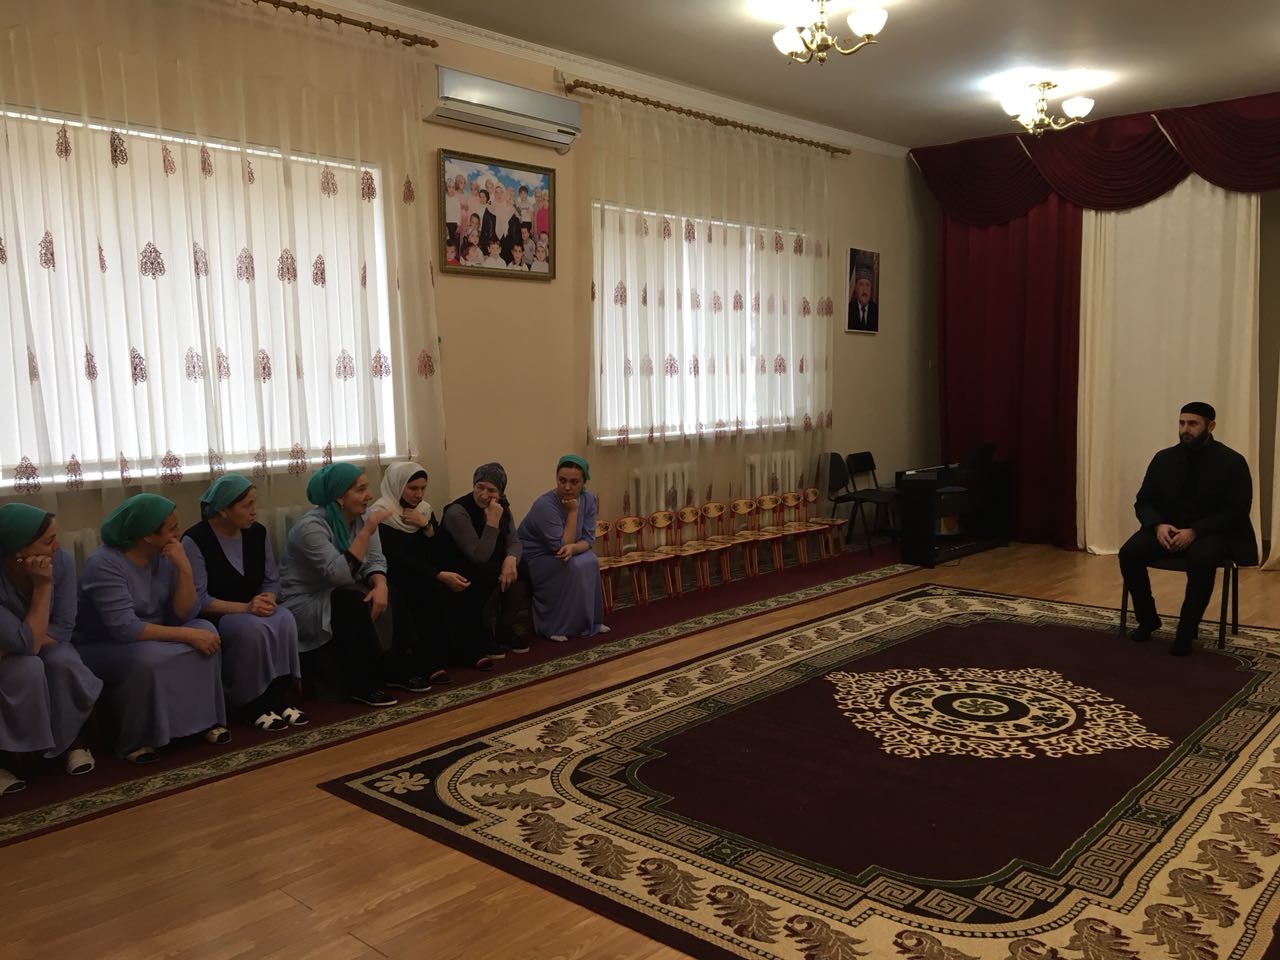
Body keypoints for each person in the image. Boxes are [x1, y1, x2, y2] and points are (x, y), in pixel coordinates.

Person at [74, 494, 229, 764]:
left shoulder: (165, 554)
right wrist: (188, 635)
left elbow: (184, 614)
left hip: (156, 632)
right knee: (151, 657)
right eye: (172, 528)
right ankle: (138, 740)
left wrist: (185, 569)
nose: (178, 534)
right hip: (106, 644)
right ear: (147, 535)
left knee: (206, 629)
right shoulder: (104, 564)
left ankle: (201, 724)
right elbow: (125, 628)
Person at [1119, 401, 1257, 656]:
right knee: (1129, 553)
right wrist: (1157, 525)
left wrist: (1195, 531)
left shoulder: (1232, 461)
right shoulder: (1163, 458)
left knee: (1202, 559)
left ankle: (1186, 631)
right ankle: (1148, 619)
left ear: (1210, 426)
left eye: (1193, 424)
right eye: (1182, 423)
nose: (1185, 429)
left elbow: (1237, 511)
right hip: (1167, 529)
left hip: (1211, 532)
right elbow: (1144, 500)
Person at [182, 474, 306, 732]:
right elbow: (199, 599)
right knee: (253, 629)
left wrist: (268, 598)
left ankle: (278, 696)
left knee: (285, 618)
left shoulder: (257, 533)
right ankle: (250, 702)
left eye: (254, 503)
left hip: (254, 608)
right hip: (218, 613)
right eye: (246, 505)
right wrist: (246, 608)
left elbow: (272, 580)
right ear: (224, 510)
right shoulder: (195, 540)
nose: (254, 511)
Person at [0, 505, 101, 794]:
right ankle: (9, 757)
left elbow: (63, 628)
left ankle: (71, 742)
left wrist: (42, 584)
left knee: (62, 662)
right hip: (17, 653)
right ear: (18, 551)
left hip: (37, 645)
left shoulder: (62, 562)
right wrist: (43, 589)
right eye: (48, 541)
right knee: (27, 668)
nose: (57, 547)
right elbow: (26, 644)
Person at [279, 463, 398, 707]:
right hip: (305, 600)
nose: (370, 495)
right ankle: (361, 684)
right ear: (339, 498)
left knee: (392, 592)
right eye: (361, 490)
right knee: (352, 603)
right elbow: (339, 575)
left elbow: (375, 559)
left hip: (341, 590)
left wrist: (381, 585)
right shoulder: (310, 528)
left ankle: (397, 670)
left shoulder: (362, 517)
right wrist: (365, 532)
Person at [434, 462, 529, 662]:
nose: (484, 495)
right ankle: (484, 635)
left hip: (491, 561)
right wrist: (492, 522)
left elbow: (514, 541)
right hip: (462, 565)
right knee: (488, 575)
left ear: (500, 493)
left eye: (491, 490)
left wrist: (511, 559)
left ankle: (505, 629)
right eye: (480, 487)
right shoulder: (457, 512)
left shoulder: (502, 506)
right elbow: (478, 555)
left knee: (521, 569)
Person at [371, 461, 450, 689]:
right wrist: (436, 575)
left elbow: (439, 551)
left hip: (423, 571)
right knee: (421, 592)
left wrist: (426, 526)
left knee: (443, 588)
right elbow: (395, 558)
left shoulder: (424, 510)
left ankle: (444, 654)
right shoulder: (381, 514)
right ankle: (422, 662)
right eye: (413, 488)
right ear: (397, 485)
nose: (419, 494)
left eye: (423, 488)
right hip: (392, 575)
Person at [518, 456, 609, 643]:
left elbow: (588, 539)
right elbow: (559, 547)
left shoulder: (589, 499)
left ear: (583, 482)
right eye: (562, 480)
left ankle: (589, 621)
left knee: (590, 561)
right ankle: (553, 625)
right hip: (536, 556)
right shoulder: (544, 505)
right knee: (571, 565)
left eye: (574, 482)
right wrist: (573, 512)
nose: (567, 487)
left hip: (567, 549)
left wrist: (574, 548)